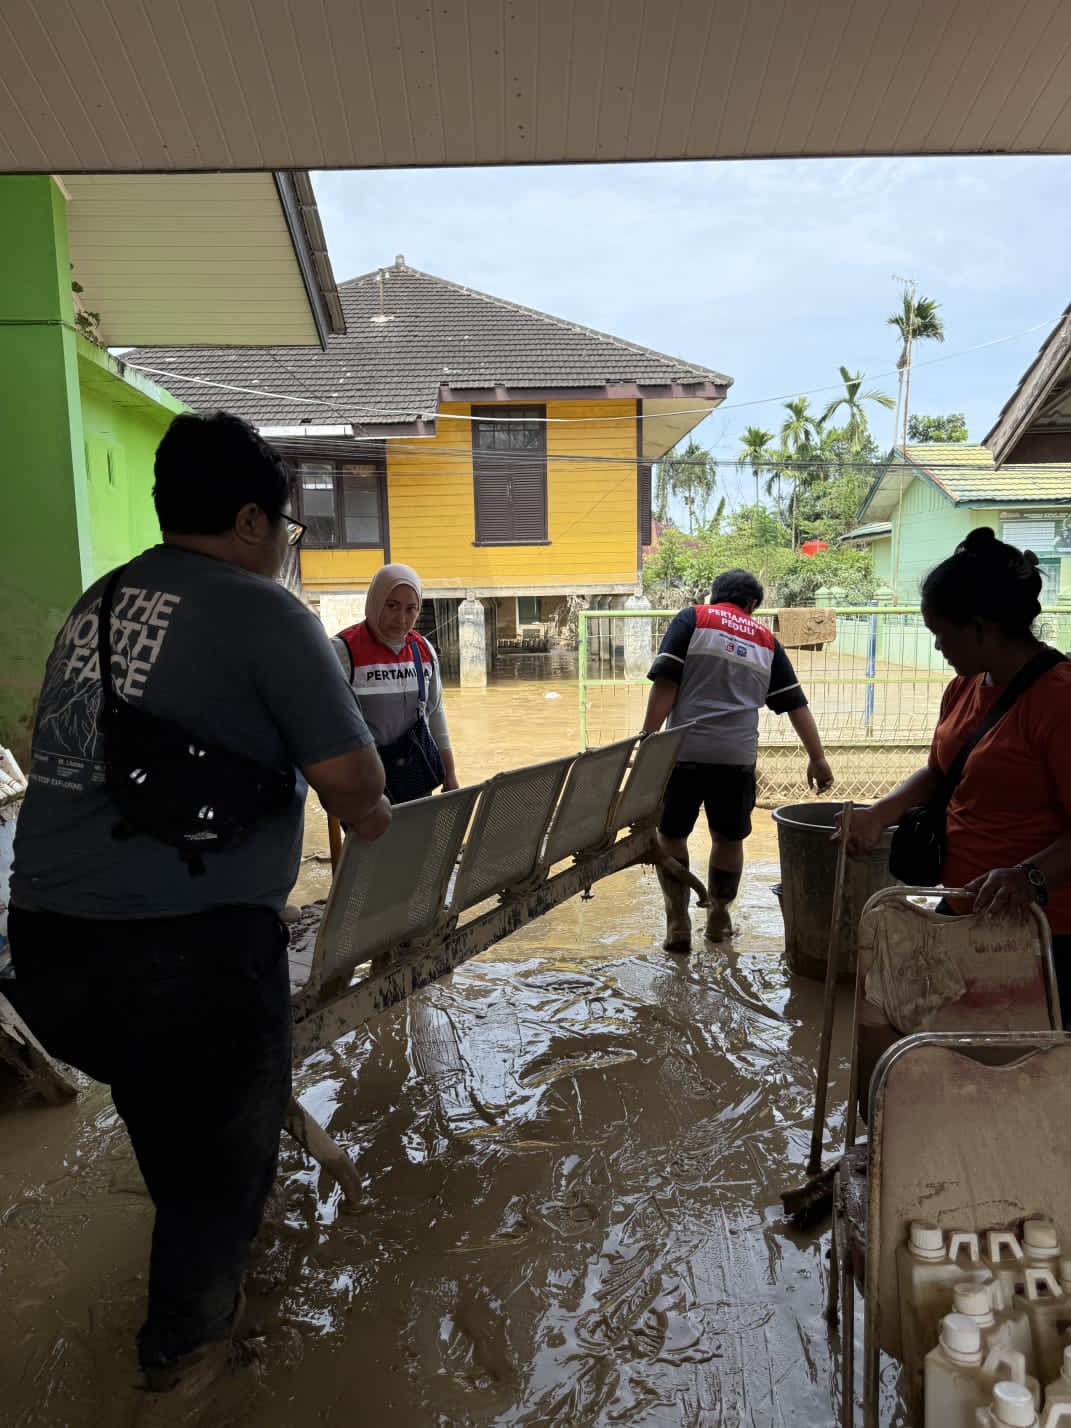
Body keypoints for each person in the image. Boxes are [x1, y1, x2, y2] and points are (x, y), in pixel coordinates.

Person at [8, 411, 391, 1412]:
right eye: (292, 531)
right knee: (222, 1174)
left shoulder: (101, 602)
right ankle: (185, 1363)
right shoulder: (264, 613)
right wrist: (372, 802)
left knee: (173, 1121)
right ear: (254, 520)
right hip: (182, 959)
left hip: (47, 954)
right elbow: (358, 793)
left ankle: (201, 1265)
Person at [842, 526, 1071, 1018]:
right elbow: (940, 771)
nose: (937, 647)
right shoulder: (966, 686)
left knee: (1022, 1076)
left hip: (1041, 933)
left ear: (980, 628)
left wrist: (1027, 876)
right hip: (964, 909)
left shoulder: (1059, 700)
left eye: (940, 633)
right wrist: (879, 814)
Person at [642, 568, 834, 953]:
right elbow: (795, 704)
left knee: (671, 834)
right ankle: (717, 916)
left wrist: (648, 739)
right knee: (728, 838)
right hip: (736, 757)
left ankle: (678, 921)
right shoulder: (766, 640)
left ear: (716, 596)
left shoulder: (693, 618)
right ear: (752, 606)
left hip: (684, 752)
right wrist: (817, 758)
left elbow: (667, 683)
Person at [332, 563, 459, 801]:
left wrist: (450, 774)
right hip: (365, 788)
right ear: (376, 601)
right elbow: (326, 728)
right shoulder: (342, 652)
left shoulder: (423, 650)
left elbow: (435, 714)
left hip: (417, 777)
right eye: (392, 606)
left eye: (411, 609)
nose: (401, 619)